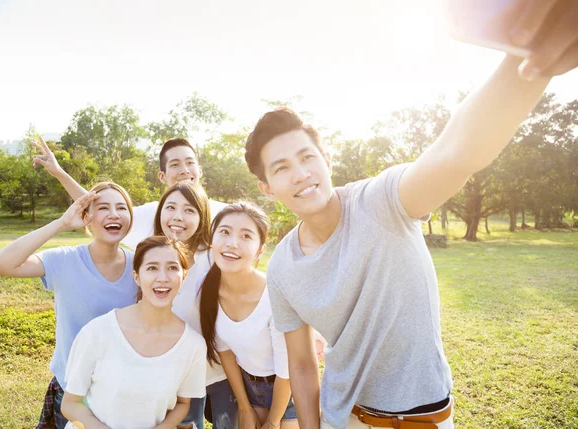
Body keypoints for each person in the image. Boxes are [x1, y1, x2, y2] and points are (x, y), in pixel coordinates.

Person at [244, 4, 578, 427]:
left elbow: (457, 150)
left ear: (327, 159)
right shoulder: (283, 268)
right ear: (267, 188)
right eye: (281, 167)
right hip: (340, 418)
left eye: (306, 157)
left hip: (422, 417)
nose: (301, 174)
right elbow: (303, 364)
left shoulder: (381, 201)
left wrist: (530, 58)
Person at [0, 182, 138, 429]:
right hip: (74, 395)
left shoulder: (141, 265)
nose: (114, 214)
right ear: (86, 217)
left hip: (123, 393)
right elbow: (1, 263)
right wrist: (61, 223)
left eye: (121, 207)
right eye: (103, 208)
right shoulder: (64, 260)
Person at [61, 235, 207, 429]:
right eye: (152, 268)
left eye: (172, 268)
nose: (162, 277)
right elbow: (70, 404)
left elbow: (182, 404)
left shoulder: (193, 345)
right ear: (136, 277)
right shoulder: (98, 331)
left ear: (184, 275)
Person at [199, 202, 298, 429]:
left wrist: (273, 423)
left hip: (287, 390)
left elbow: (287, 371)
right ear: (212, 239)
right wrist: (244, 408)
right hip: (248, 388)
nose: (232, 243)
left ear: (260, 250)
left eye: (246, 236)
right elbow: (226, 354)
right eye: (224, 232)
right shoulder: (209, 291)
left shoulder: (274, 296)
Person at [31, 136, 226, 250]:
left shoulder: (225, 214)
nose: (184, 170)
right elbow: (96, 203)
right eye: (175, 165)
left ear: (199, 171)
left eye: (190, 163)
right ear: (162, 176)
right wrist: (59, 173)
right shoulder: (150, 214)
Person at [153, 181, 238, 429]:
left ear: (202, 217)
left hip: (222, 371)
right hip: (176, 376)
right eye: (171, 207)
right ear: (160, 213)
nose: (178, 217)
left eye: (189, 210)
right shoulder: (151, 256)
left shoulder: (215, 257)